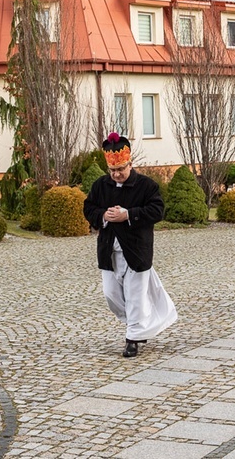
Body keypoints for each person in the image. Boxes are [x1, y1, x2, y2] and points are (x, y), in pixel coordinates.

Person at [83, 132, 177, 358]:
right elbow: (89, 208)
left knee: (135, 296)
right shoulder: (101, 185)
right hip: (109, 250)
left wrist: (128, 215)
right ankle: (138, 325)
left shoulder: (146, 186)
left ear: (130, 164)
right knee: (111, 294)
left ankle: (132, 338)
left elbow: (157, 211)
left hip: (136, 249)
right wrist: (103, 215)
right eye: (113, 171)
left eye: (120, 170)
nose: (116, 174)